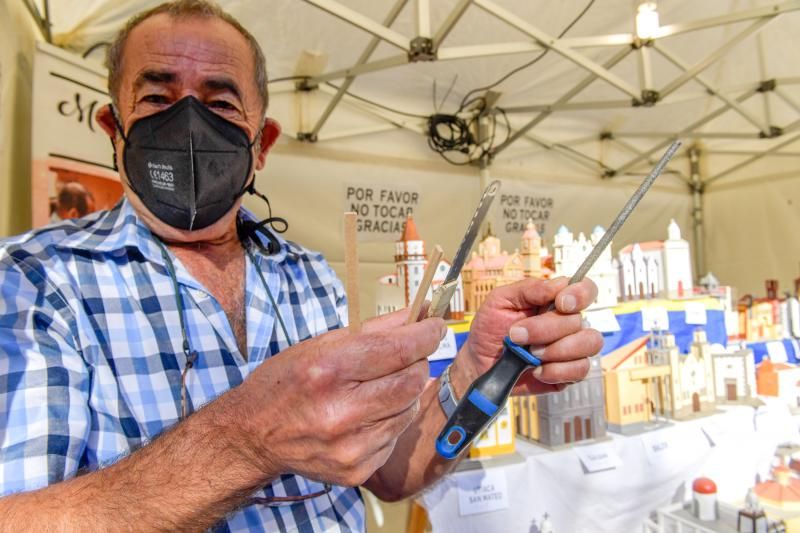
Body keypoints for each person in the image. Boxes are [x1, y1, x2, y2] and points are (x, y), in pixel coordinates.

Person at [0, 1, 602, 531]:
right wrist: (249, 437)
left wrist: (478, 369)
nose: (188, 124)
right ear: (114, 128)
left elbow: (390, 473)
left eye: (220, 102)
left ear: (261, 145)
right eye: (157, 97)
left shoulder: (309, 275)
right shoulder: (33, 282)